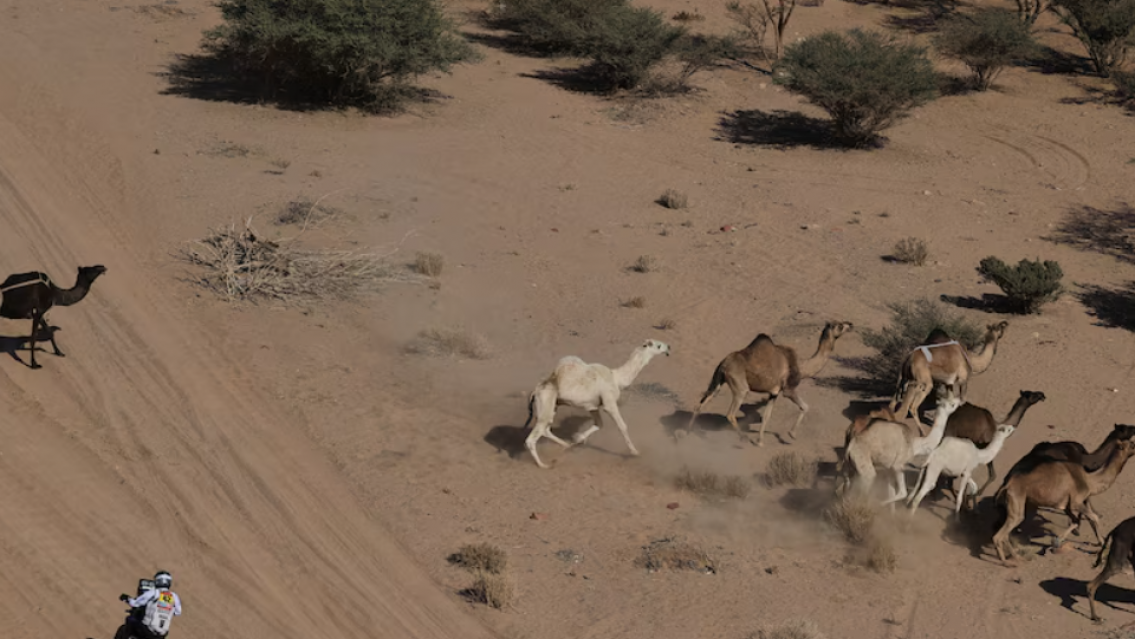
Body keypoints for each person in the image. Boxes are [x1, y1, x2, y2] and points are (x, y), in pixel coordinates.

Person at [118, 570, 182, 638]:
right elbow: (178, 612)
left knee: (130, 620)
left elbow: (135, 603)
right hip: (162, 634)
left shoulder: (154, 593)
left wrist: (127, 598)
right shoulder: (174, 596)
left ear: (157, 581)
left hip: (147, 630)